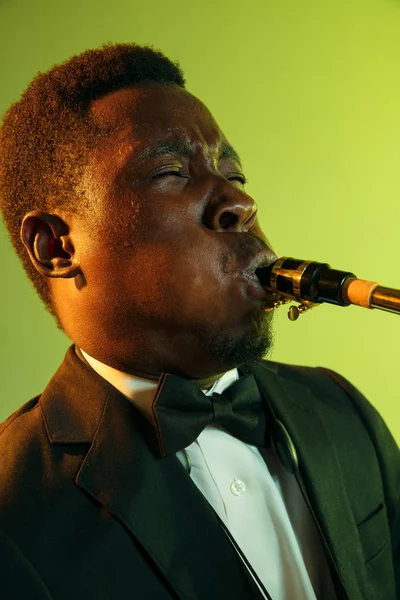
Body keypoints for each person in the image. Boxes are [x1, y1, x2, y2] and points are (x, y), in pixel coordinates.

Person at [0, 42, 398, 600]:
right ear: (55, 245)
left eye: (233, 172)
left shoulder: (342, 409)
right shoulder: (12, 511)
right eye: (170, 171)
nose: (239, 200)